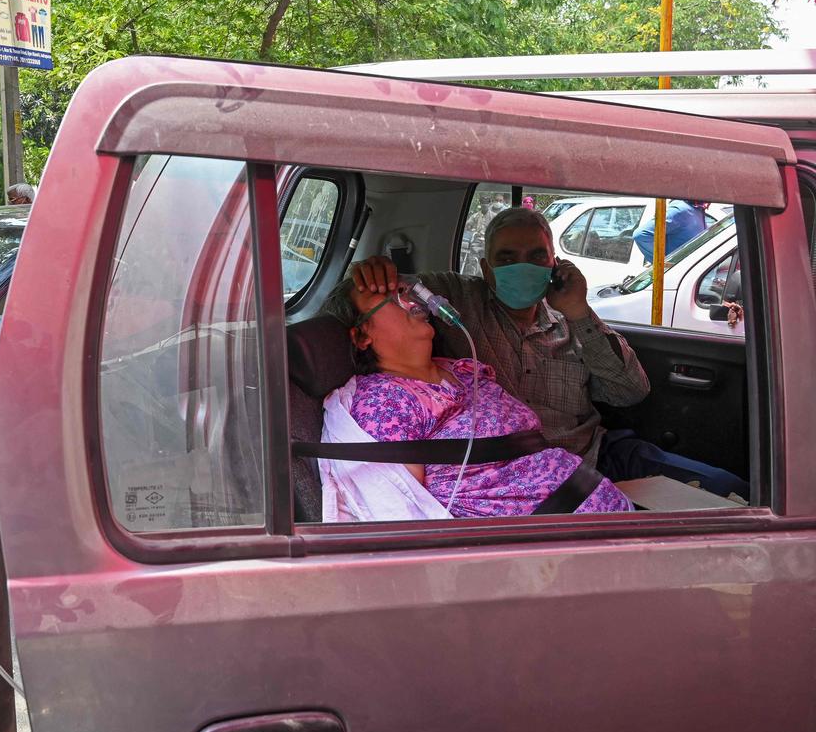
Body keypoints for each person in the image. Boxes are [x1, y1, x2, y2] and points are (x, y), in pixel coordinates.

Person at [350, 207, 749, 499]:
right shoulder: (457, 301)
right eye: (506, 258)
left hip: (595, 455)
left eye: (536, 257)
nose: (521, 267)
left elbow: (631, 392)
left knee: (727, 493)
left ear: (555, 265)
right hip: (518, 478)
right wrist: (373, 272)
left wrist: (579, 311)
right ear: (487, 270)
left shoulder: (573, 321)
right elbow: (380, 301)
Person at [319, 277, 632, 518]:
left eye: (406, 291)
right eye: (389, 298)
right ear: (362, 336)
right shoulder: (384, 402)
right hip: (550, 553)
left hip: (596, 509)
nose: (409, 300)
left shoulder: (460, 370)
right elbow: (406, 508)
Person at [632, 200, 706, 263]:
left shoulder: (697, 210)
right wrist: (665, 264)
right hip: (674, 276)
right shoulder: (681, 210)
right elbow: (641, 235)